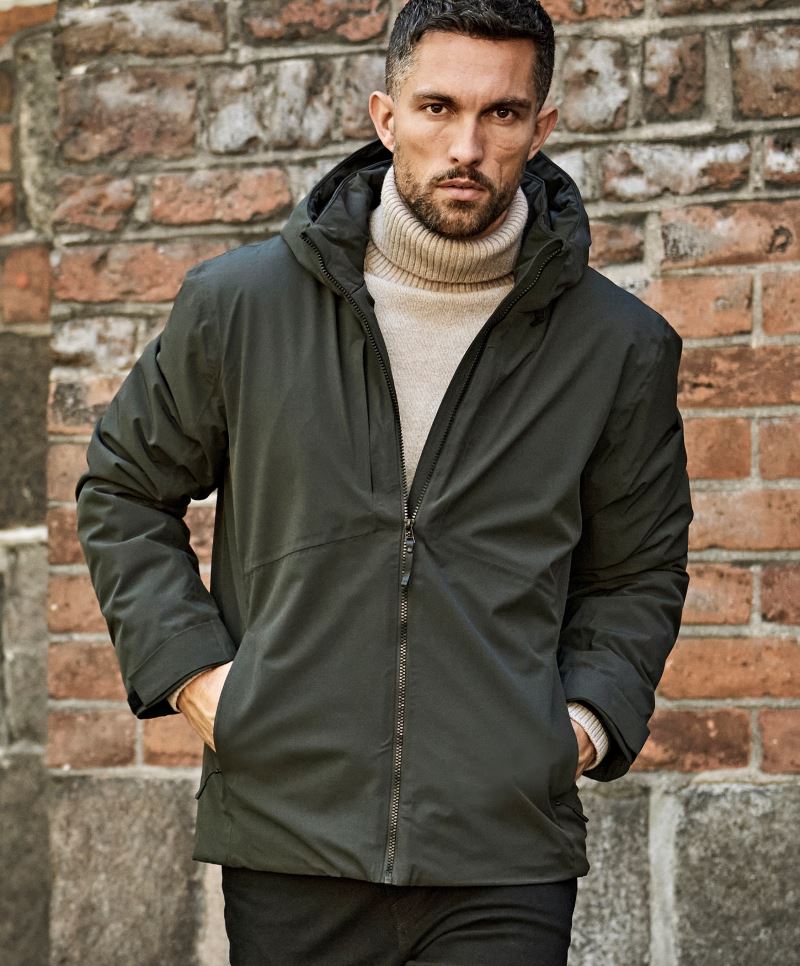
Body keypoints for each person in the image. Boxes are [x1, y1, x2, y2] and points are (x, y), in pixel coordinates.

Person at [75, 1, 693, 963]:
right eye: (438, 107)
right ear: (385, 116)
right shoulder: (241, 306)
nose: (467, 146)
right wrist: (198, 680)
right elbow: (122, 488)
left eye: (501, 113)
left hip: (504, 851)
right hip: (290, 836)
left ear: (541, 127)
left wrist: (577, 726)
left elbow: (639, 571)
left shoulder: (616, 346)